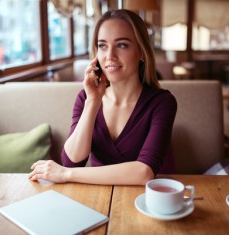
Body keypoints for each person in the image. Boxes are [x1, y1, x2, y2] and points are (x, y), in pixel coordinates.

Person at [29, 9, 177, 185]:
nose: (109, 56)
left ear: (141, 52)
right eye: (102, 46)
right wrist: (93, 101)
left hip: (155, 198)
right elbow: (72, 160)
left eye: (121, 45)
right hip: (102, 196)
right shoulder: (85, 98)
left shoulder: (162, 102)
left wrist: (66, 174)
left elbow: (144, 172)